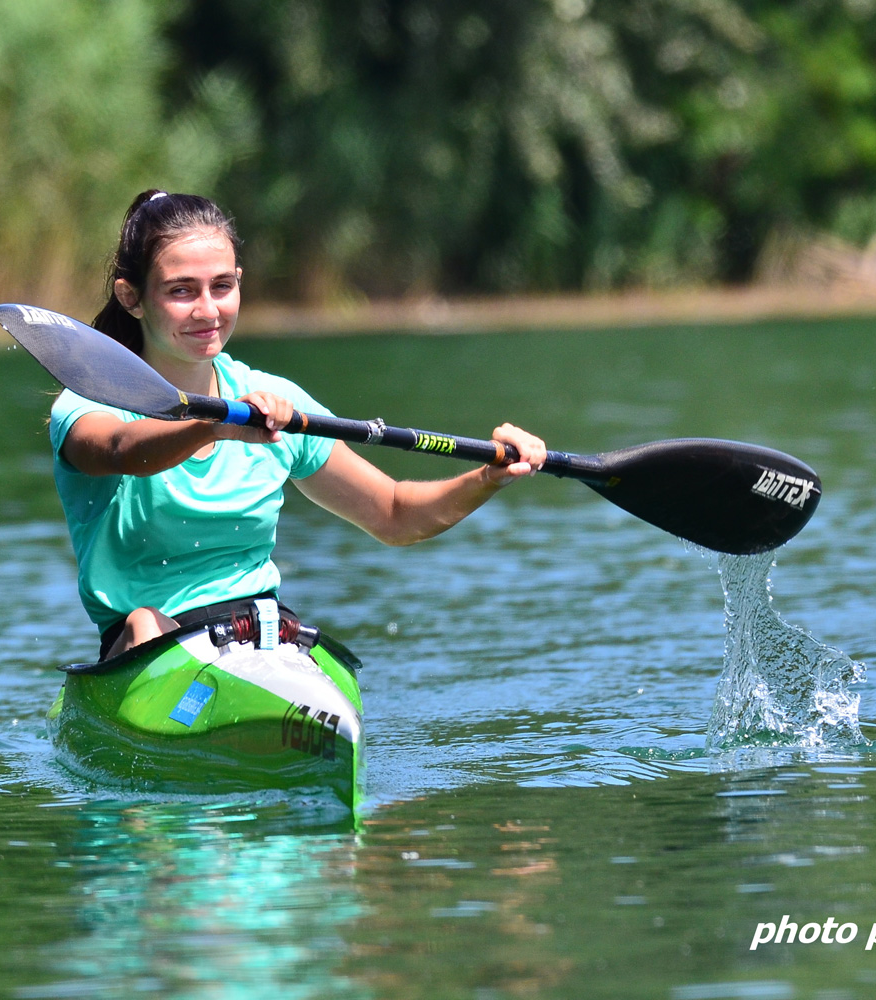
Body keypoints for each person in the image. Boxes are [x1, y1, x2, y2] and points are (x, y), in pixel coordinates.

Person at [50, 190, 547, 661]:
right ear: (131, 297)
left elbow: (394, 515)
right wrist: (215, 424)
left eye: (222, 286)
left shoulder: (275, 400)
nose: (208, 310)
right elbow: (118, 451)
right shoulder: (89, 402)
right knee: (145, 622)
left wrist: (487, 478)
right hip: (147, 651)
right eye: (182, 291)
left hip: (260, 638)